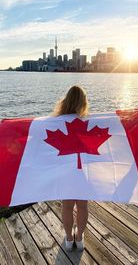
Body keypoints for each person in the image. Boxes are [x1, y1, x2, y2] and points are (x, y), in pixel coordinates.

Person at [53, 85, 89, 251]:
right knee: (82, 206)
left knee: (67, 206)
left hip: (65, 171)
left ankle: (69, 240)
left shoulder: (55, 122)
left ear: (66, 101)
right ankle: (79, 239)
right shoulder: (88, 122)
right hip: (82, 171)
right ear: (83, 102)